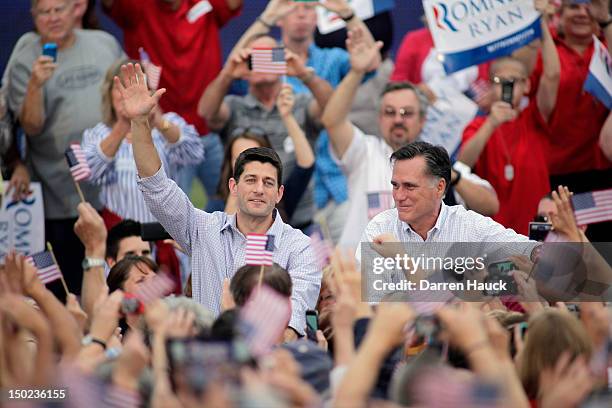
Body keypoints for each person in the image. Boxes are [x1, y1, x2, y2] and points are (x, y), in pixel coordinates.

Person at [117, 62, 320, 339]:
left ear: (279, 193)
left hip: (267, 364)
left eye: (268, 182)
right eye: (250, 180)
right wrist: (140, 122)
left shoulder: (299, 247)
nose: (259, 189)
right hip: (203, 363)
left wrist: (249, 346)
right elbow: (157, 187)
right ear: (233, 186)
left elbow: (294, 317)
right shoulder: (202, 228)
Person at [321, 28, 500, 248]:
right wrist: (356, 72)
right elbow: (332, 121)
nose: (398, 119)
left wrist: (448, 175)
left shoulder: (436, 162)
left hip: (418, 277)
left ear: (423, 120)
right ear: (379, 117)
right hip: (363, 275)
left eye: (407, 113)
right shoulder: (364, 151)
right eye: (390, 112)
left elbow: (490, 205)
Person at [6, 0, 124, 295]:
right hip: (56, 192)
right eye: (44, 12)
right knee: (66, 281)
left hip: (112, 188)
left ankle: (113, 333)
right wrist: (35, 83)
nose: (53, 18)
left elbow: (125, 91)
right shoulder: (26, 55)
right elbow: (30, 126)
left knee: (115, 272)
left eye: (59, 9)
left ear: (76, 9)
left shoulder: (103, 43)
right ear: (33, 16)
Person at [102, 0, 243, 212]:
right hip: (162, 139)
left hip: (209, 132)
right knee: (169, 214)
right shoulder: (138, 7)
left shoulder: (206, 4)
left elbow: (232, 4)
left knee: (239, 204)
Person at [199, 34, 332, 229]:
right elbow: (206, 112)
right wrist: (228, 75)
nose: (263, 64)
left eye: (271, 57)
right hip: (246, 220)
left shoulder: (300, 103)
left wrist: (305, 74)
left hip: (299, 220)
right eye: (255, 59)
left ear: (282, 60)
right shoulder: (235, 106)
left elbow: (333, 110)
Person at [458, 0, 558, 235]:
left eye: (514, 81)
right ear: (489, 86)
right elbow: (463, 164)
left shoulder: (534, 118)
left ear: (527, 85)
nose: (507, 86)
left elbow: (553, 75)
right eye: (500, 81)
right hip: (495, 233)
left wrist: (541, 23)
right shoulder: (479, 125)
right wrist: (492, 122)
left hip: (537, 229)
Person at [519, 0, 612, 240]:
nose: (582, 12)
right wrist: (539, 19)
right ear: (559, 13)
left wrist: (606, 20)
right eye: (574, 6)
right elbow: (548, 76)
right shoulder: (546, 50)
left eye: (589, 6)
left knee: (602, 251)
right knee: (558, 257)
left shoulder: (605, 46)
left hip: (602, 172)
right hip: (558, 174)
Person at [82, 59, 204, 225]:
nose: (128, 94)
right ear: (109, 93)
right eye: (121, 88)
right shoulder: (98, 133)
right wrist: (124, 124)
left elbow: (194, 153)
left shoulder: (168, 122)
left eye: (137, 88)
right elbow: (92, 172)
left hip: (169, 231)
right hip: (123, 236)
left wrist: (157, 121)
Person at [221, 85, 315, 220]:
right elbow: (223, 236)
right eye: (239, 159)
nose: (245, 164)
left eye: (253, 158)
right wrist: (236, 191)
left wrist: (287, 116)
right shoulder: (217, 203)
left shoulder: (278, 197)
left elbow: (306, 165)